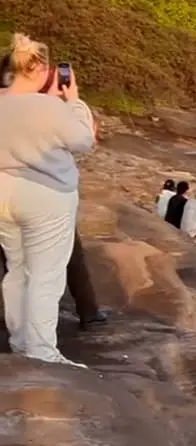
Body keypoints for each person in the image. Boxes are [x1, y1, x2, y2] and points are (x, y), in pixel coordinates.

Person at [0, 33, 95, 367]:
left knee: (17, 269)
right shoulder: (51, 106)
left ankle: (20, 340)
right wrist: (74, 102)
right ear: (39, 67)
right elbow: (84, 141)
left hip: (2, 193)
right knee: (46, 274)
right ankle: (41, 352)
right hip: (45, 196)